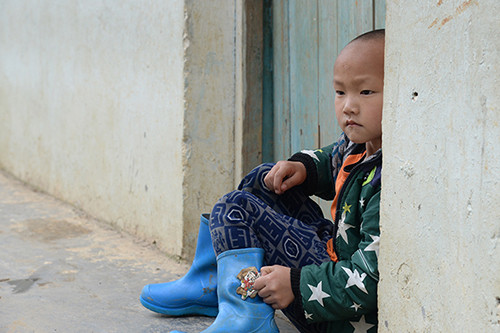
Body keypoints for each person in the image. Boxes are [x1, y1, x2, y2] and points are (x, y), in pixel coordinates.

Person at [140, 29, 385, 333]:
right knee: (265, 178)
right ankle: (217, 285)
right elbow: (332, 161)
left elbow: (370, 281)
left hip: (339, 315)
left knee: (236, 207)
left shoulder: (390, 183)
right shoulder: (360, 145)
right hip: (331, 263)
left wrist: (295, 284)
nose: (349, 105)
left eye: (365, 92)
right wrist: (304, 168)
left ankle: (247, 317)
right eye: (340, 92)